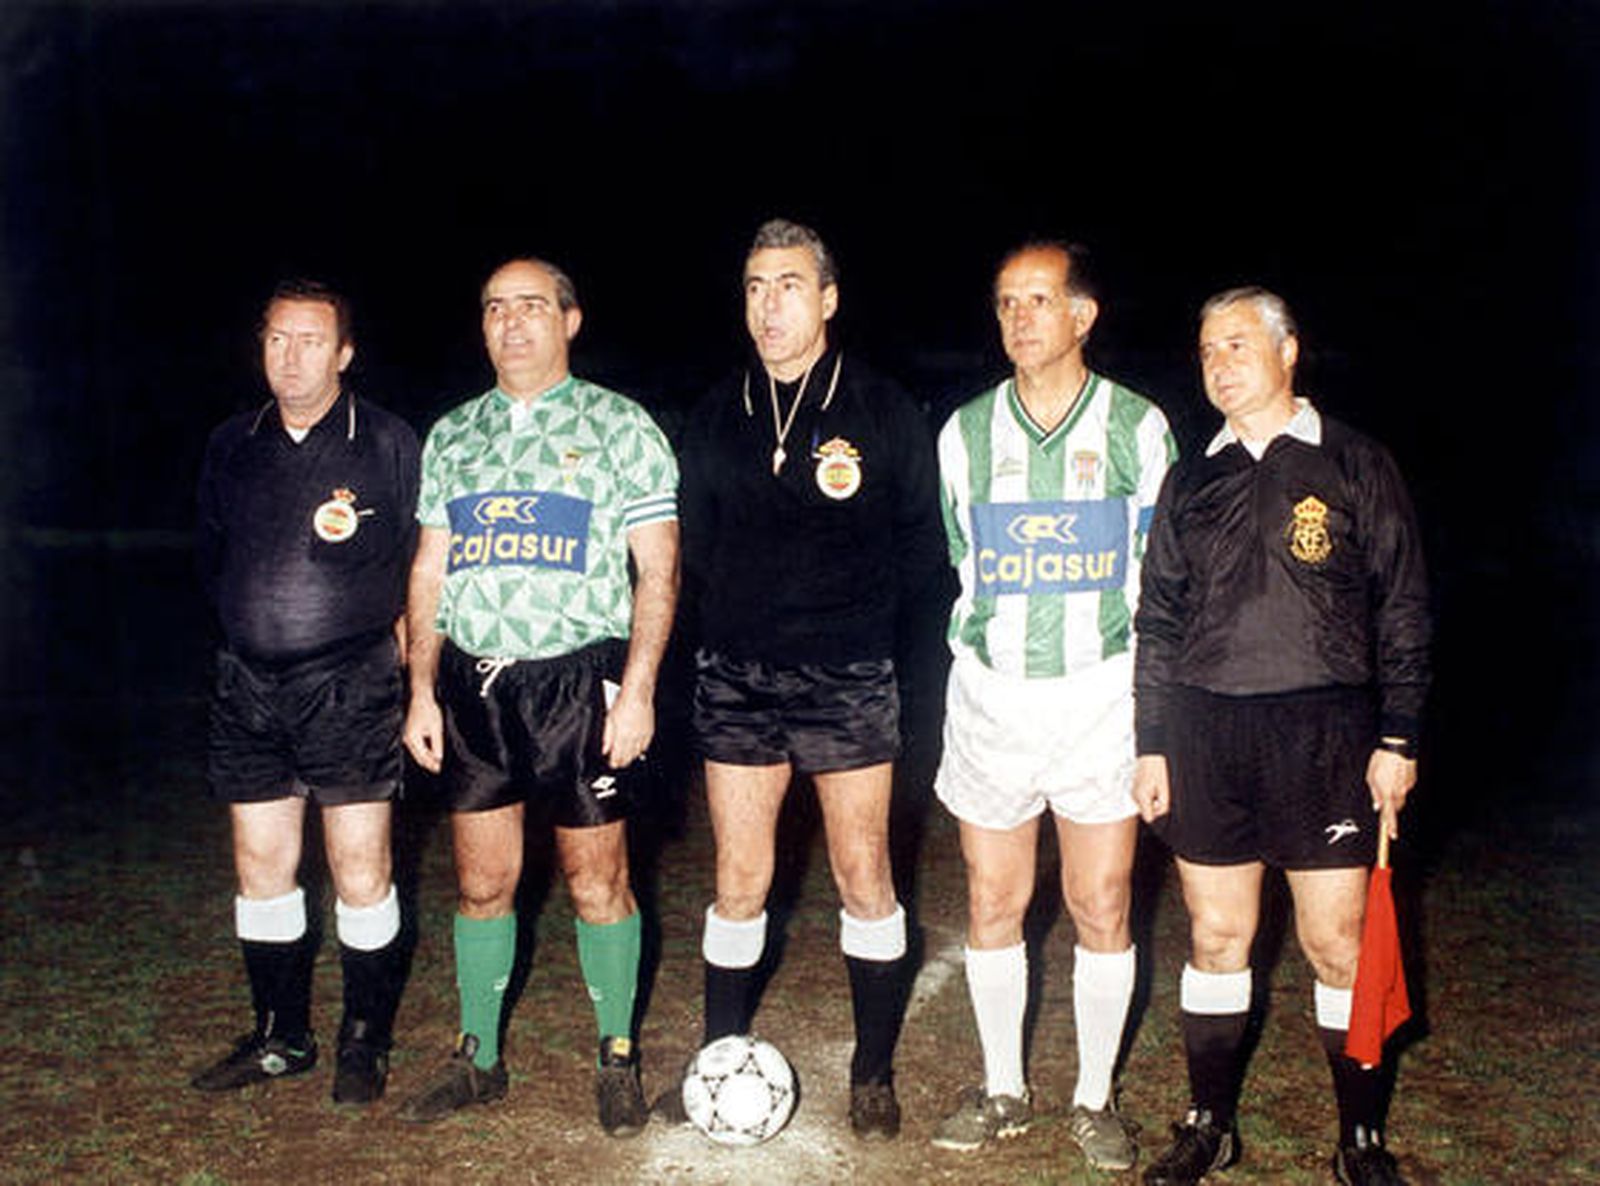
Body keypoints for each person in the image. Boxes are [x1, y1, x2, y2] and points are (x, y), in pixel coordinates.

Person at [1134, 288, 1429, 1186]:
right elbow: (1159, 616)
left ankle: (1360, 1140)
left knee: (1337, 942)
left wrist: (1400, 736)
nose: (1219, 364)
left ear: (1288, 350)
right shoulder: (1193, 475)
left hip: (1326, 733)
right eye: (1206, 350)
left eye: (1237, 345)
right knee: (1217, 937)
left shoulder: (1352, 462)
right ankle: (1208, 1124)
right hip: (1207, 731)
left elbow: (1404, 604)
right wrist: (1151, 741)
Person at [674, 218, 946, 1140]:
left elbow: (921, 549)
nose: (769, 305)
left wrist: (857, 632)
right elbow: (699, 551)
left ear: (828, 299)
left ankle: (872, 1072)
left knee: (863, 871)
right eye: (754, 286)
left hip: (849, 674)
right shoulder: (716, 414)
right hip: (737, 676)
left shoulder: (882, 409)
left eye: (788, 285)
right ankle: (720, 1055)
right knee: (740, 876)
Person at [397, 258, 679, 1137]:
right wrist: (418, 689)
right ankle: (476, 1054)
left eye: (530, 307)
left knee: (599, 881)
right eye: (494, 309)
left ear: (570, 320)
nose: (511, 323)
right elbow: (430, 567)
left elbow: (659, 571)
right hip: (475, 685)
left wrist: (636, 692)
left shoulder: (622, 427)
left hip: (577, 683)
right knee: (483, 881)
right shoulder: (453, 435)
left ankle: (617, 1052)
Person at [928, 242, 1174, 1170]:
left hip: (1100, 695)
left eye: (1039, 299)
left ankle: (1094, 1097)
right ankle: (1001, 1088)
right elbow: (962, 561)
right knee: (993, 897)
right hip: (992, 697)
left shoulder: (1136, 428)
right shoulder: (963, 433)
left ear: (1083, 315)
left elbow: (1159, 582)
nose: (1020, 317)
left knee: (1100, 898)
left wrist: (1156, 714)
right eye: (1004, 302)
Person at [192, 278, 419, 1105]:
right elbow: (211, 560)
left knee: (361, 871)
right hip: (248, 686)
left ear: (345, 354)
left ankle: (365, 1039)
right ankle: (280, 1035)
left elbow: (418, 570)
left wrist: (405, 672)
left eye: (311, 341)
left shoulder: (387, 443)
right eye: (277, 339)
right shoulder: (231, 444)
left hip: (350, 685)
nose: (290, 357)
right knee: (261, 868)